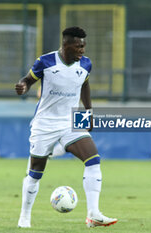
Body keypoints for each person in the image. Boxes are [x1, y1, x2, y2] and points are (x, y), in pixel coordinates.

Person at [15, 26, 117, 228]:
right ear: (66, 45)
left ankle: (93, 214)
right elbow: (27, 80)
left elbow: (84, 84)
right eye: (79, 46)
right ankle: (24, 217)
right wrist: (23, 87)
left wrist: (88, 112)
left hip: (70, 120)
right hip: (44, 124)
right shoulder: (45, 61)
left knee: (93, 159)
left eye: (84, 46)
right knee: (35, 172)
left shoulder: (86, 64)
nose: (83, 50)